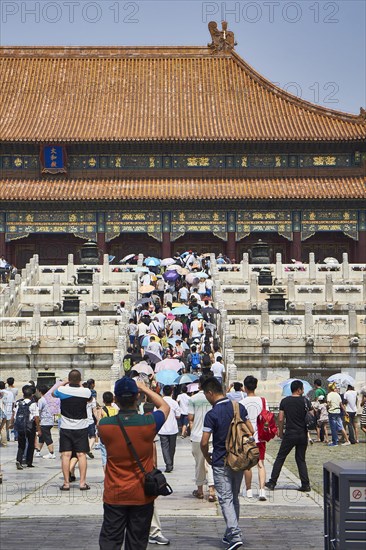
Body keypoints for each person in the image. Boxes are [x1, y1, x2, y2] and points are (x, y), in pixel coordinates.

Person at [98, 377, 169, 550]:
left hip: (115, 492)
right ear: (137, 397)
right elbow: (165, 407)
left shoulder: (105, 425)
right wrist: (144, 388)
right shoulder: (148, 423)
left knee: (110, 541)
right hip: (141, 494)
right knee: (137, 542)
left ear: (115, 399)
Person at [200, 376, 253, 550]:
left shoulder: (212, 414)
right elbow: (250, 430)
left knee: (225, 499)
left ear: (210, 392)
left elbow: (203, 441)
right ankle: (230, 532)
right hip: (238, 458)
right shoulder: (239, 407)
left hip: (220, 460)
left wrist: (206, 456)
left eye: (205, 394)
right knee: (234, 497)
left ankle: (235, 535)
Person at [265, 380, 311, 492]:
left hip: (290, 433)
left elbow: (280, 419)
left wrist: (280, 432)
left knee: (281, 457)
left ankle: (272, 482)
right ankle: (305, 484)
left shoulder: (285, 401)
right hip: (302, 433)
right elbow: (311, 416)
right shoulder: (305, 401)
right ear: (299, 389)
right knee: (300, 459)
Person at [52, 369, 91, 490]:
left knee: (66, 455)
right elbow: (89, 399)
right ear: (80, 380)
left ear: (69, 379)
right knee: (81, 455)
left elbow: (53, 393)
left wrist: (63, 383)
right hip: (81, 427)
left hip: (66, 427)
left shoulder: (62, 390)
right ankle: (82, 483)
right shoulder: (86, 391)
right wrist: (80, 384)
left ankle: (66, 483)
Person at [188, 375, 216, 502]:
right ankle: (211, 491)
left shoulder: (193, 399)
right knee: (211, 463)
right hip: (212, 434)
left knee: (199, 463)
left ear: (199, 385)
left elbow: (190, 418)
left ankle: (200, 490)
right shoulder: (213, 397)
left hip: (197, 435)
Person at [241, 375, 267, 501]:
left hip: (246, 437)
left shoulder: (242, 403)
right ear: (256, 386)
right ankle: (262, 491)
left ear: (245, 388)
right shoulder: (262, 401)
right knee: (260, 463)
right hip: (260, 436)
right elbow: (266, 417)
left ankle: (249, 490)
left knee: (247, 465)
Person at [11, 385, 41, 469]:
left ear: (23, 395)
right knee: (31, 444)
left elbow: (14, 414)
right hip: (30, 427)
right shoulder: (33, 404)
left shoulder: (18, 403)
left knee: (21, 445)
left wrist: (11, 424)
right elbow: (36, 417)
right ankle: (29, 462)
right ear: (31, 395)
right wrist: (39, 429)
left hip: (20, 427)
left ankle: (19, 460)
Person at [158, 385, 181, 473]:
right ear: (171, 392)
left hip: (162, 428)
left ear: (163, 392)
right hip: (173, 429)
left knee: (164, 447)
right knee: (172, 447)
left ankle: (168, 464)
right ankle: (170, 462)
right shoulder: (174, 403)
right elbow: (178, 415)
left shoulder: (159, 402)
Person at [35, 385, 56, 459]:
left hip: (44, 421)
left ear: (40, 391)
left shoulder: (41, 400)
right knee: (42, 437)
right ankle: (38, 451)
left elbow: (38, 411)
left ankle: (51, 453)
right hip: (50, 420)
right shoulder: (50, 399)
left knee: (47, 437)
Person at [326, 383, 350, 447]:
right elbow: (341, 404)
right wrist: (345, 412)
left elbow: (328, 403)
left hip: (332, 412)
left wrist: (327, 407)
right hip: (338, 412)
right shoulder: (337, 394)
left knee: (333, 428)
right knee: (341, 427)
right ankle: (347, 440)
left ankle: (335, 442)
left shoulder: (329, 394)